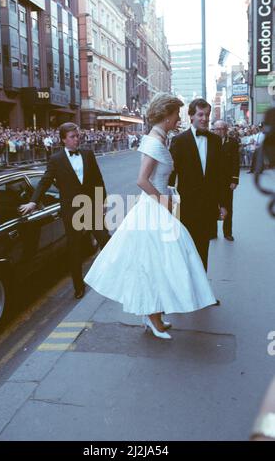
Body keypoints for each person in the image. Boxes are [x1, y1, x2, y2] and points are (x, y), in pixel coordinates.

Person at [84, 93, 218, 340]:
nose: (179, 118)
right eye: (177, 114)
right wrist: (164, 201)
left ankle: (153, 316)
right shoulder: (155, 142)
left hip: (158, 206)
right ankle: (153, 318)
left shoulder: (159, 137)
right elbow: (142, 180)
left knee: (158, 263)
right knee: (156, 264)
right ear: (167, 116)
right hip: (154, 209)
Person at [19, 122, 110, 299]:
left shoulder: (88, 154)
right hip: (71, 210)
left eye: (77, 136)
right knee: (74, 249)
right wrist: (33, 202)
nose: (77, 139)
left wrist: (103, 202)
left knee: (105, 240)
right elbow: (45, 181)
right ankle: (78, 286)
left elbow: (98, 180)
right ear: (63, 140)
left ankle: (114, 277)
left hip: (91, 205)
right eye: (72, 137)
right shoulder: (56, 159)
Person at [169, 98, 227, 272]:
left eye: (207, 115)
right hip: (186, 206)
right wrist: (168, 204)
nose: (204, 118)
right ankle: (189, 294)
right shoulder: (179, 141)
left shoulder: (216, 140)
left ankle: (203, 295)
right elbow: (171, 175)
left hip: (208, 206)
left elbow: (220, 176)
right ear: (191, 116)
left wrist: (223, 204)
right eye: (200, 114)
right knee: (187, 251)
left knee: (203, 250)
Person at [213, 120, 240, 241]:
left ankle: (227, 232)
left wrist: (235, 180)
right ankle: (212, 232)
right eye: (217, 129)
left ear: (226, 129)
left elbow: (236, 162)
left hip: (227, 181)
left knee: (228, 206)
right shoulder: (209, 142)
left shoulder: (232, 143)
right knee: (212, 205)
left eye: (222, 128)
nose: (219, 131)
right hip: (212, 181)